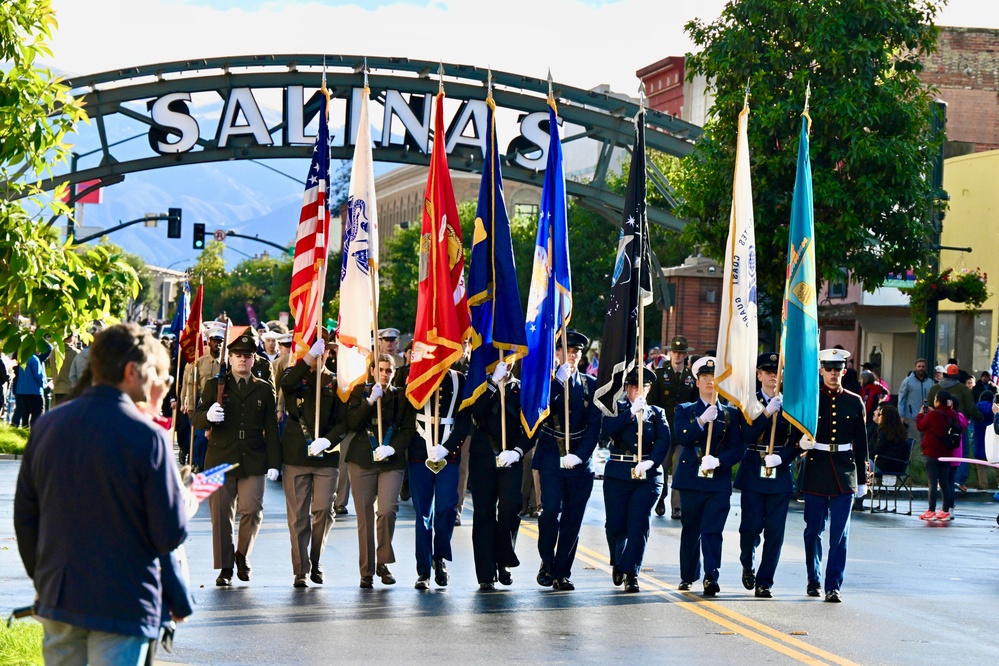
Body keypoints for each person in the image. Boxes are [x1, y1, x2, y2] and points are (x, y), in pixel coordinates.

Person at [14, 323, 189, 665]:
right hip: (124, 602)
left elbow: (25, 517)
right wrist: (186, 500)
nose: (156, 382)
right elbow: (168, 532)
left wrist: (45, 577)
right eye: (152, 373)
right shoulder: (148, 436)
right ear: (130, 372)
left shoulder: (48, 425)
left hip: (60, 596)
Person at [193, 328, 281, 587]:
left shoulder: (264, 389)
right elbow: (196, 416)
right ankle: (225, 567)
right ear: (229, 358)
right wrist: (208, 415)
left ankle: (242, 554)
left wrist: (274, 463)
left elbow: (272, 430)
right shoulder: (214, 385)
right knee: (221, 515)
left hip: (253, 456)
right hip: (220, 455)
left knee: (252, 510)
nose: (243, 360)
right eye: (238, 355)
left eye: (248, 355)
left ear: (254, 360)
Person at [532, 330, 601, 591]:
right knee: (550, 511)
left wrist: (580, 456)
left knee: (573, 519)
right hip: (551, 456)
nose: (571, 356)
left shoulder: (590, 386)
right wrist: (557, 384)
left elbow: (595, 426)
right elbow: (539, 412)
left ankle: (562, 572)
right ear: (557, 353)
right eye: (566, 351)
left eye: (576, 352)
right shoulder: (547, 383)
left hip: (579, 462)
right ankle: (547, 563)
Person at [799, 348, 869, 603]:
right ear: (820, 370)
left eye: (837, 369)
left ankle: (834, 585)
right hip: (816, 468)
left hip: (844, 471)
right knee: (813, 531)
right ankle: (813, 579)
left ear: (844, 371)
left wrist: (862, 479)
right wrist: (800, 445)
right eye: (828, 369)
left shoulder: (854, 400)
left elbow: (861, 444)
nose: (833, 373)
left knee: (840, 535)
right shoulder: (811, 398)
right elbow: (797, 431)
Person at [672, 356, 744, 596]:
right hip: (692, 478)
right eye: (704, 378)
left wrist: (720, 461)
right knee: (691, 529)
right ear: (697, 382)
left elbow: (737, 448)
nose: (709, 382)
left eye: (714, 378)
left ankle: (711, 576)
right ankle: (688, 575)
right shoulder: (685, 410)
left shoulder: (731, 414)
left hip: (717, 481)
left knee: (712, 531)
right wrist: (702, 420)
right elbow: (682, 437)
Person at [342, 354, 414, 588]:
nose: (384, 374)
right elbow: (352, 423)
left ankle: (383, 561)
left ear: (394, 372)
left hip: (390, 461)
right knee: (364, 516)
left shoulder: (401, 396)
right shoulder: (359, 392)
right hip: (362, 458)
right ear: (372, 370)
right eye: (380, 369)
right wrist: (370, 401)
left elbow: (407, 429)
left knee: (387, 510)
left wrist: (393, 449)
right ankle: (366, 570)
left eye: (388, 370)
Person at [600, 366, 670, 593]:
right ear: (627, 388)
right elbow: (607, 430)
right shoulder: (615, 409)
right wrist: (630, 413)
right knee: (615, 525)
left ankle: (632, 572)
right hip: (619, 473)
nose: (640, 391)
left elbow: (663, 441)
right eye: (636, 386)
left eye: (645, 387)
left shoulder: (657, 413)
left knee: (639, 524)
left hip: (647, 476)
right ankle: (619, 561)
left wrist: (651, 463)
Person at [279, 337, 342, 588]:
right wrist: (307, 360)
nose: (321, 354)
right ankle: (301, 570)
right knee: (298, 517)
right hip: (296, 454)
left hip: (326, 456)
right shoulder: (295, 373)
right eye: (318, 350)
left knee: (324, 511)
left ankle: (315, 559)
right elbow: (287, 384)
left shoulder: (337, 382)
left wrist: (328, 440)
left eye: (325, 351)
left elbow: (343, 420)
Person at [401, 364, 470, 589]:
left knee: (447, 508)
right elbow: (407, 413)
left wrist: (448, 447)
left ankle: (439, 557)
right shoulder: (417, 375)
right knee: (423, 514)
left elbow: (464, 419)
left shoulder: (460, 380)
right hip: (420, 453)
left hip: (447, 454)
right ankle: (423, 571)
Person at [734, 353, 797, 599]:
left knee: (774, 531)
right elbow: (746, 436)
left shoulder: (790, 402)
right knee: (750, 528)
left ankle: (765, 581)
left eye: (776, 371)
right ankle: (748, 563)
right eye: (767, 371)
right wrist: (766, 414)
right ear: (758, 375)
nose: (773, 375)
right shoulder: (749, 402)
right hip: (753, 467)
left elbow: (797, 439)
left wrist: (784, 457)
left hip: (779, 469)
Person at [468, 360, 535, 590]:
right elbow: (474, 412)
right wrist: (493, 383)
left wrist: (517, 452)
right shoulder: (481, 385)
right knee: (484, 512)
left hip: (511, 457)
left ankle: (503, 558)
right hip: (483, 456)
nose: (506, 362)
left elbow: (533, 425)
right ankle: (486, 573)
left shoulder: (523, 388)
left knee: (510, 507)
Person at [648, 335, 698, 519]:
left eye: (681, 353)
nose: (677, 356)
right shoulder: (660, 375)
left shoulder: (692, 377)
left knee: (679, 468)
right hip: (664, 429)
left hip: (683, 431)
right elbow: (652, 402)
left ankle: (677, 506)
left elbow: (695, 404)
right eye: (675, 352)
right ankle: (660, 499)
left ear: (686, 355)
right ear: (670, 354)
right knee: (662, 466)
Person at [927, 363, 982, 493]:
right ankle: (958, 480)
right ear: (957, 376)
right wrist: (980, 417)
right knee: (962, 454)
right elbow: (971, 409)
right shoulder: (963, 389)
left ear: (944, 374)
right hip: (959, 427)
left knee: (941, 453)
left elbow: (928, 406)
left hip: (938, 428)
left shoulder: (935, 389)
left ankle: (941, 480)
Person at [916, 390, 966, 521]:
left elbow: (921, 426)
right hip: (947, 452)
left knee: (932, 482)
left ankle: (931, 510)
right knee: (945, 482)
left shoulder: (933, 414)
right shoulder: (953, 413)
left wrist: (921, 415)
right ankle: (945, 510)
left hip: (932, 452)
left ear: (937, 400)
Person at [182, 326, 224, 470]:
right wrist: (191, 407)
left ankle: (210, 464)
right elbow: (190, 385)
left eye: (220, 341)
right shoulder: (199, 362)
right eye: (214, 341)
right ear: (208, 342)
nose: (217, 344)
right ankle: (198, 464)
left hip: (220, 404)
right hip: (203, 404)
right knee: (200, 437)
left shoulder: (227, 364)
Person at [897, 358, 934, 447]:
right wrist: (901, 415)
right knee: (914, 441)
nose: (921, 368)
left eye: (923, 367)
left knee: (925, 442)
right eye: (919, 366)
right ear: (915, 367)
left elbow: (930, 399)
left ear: (926, 368)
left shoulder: (930, 382)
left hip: (926, 416)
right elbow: (902, 398)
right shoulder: (908, 381)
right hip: (911, 417)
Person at [870, 403, 911, 476]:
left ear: (886, 417)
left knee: (860, 461)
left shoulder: (884, 433)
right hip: (897, 466)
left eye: (880, 415)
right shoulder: (897, 432)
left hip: (884, 466)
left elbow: (877, 450)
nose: (878, 416)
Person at [12, 351, 47, 427]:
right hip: (35, 391)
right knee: (37, 415)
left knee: (25, 416)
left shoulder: (23, 359)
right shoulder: (35, 359)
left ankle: (25, 432)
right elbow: (38, 376)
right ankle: (35, 433)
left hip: (22, 391)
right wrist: (45, 385)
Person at [972, 391, 996, 490]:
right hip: (992, 441)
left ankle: (983, 485)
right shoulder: (994, 409)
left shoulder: (976, 408)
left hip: (979, 440)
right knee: (996, 462)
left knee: (981, 465)